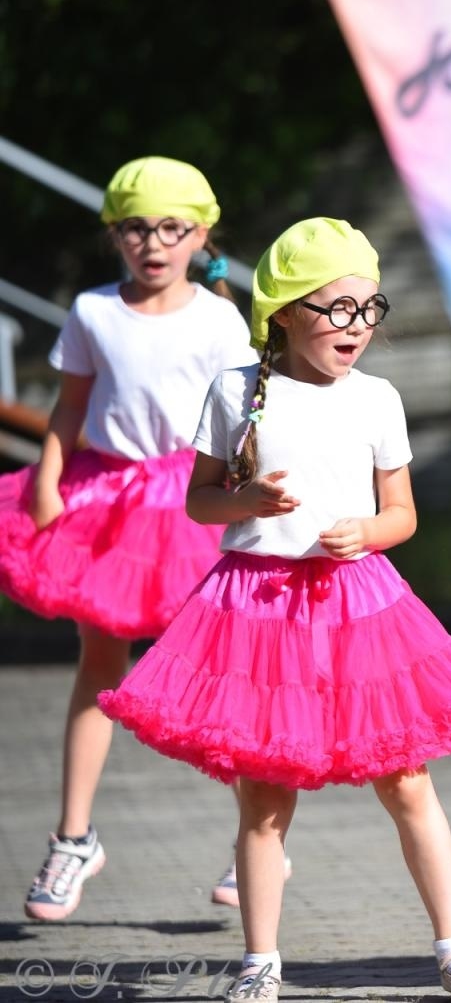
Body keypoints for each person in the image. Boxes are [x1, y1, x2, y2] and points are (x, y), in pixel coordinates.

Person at [97, 218, 451, 1003]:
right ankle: (260, 961)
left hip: (358, 605)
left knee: (405, 781)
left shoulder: (379, 398)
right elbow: (198, 502)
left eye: (369, 310)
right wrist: (246, 499)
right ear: (286, 313)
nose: (355, 327)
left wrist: (366, 531)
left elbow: (402, 514)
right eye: (335, 309)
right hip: (254, 612)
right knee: (264, 798)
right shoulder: (236, 389)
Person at [0, 156, 259, 921]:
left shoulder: (218, 318)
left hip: (189, 504)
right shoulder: (91, 312)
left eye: (172, 228)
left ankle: (257, 834)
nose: (154, 243)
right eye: (137, 228)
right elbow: (68, 407)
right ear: (115, 234)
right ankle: (74, 837)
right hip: (104, 499)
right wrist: (48, 478)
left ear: (200, 234)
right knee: (99, 665)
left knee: (225, 668)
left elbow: (241, 420)